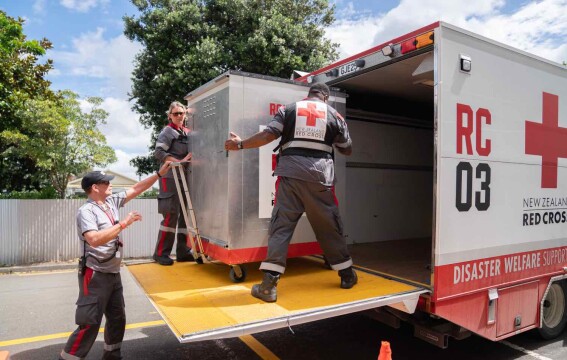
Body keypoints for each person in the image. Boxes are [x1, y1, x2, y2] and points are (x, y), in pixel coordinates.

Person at [224, 83, 357, 303]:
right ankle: (346, 275)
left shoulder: (289, 109)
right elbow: (347, 148)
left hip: (290, 175)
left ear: (309, 95)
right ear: (325, 97)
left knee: (281, 226)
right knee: (328, 225)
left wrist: (239, 145)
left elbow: (268, 135)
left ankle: (268, 287)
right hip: (320, 177)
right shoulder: (334, 115)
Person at [60, 162, 171, 360]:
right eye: (106, 182)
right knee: (89, 323)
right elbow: (93, 239)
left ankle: (112, 356)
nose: (111, 185)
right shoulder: (86, 211)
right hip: (95, 274)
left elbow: (137, 188)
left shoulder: (110, 202)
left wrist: (159, 173)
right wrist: (124, 223)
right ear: (95, 188)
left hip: (113, 273)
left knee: (117, 319)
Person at [153, 101, 194, 265]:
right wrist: (179, 161)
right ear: (170, 115)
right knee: (170, 216)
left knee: (185, 216)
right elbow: (159, 152)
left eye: (182, 113)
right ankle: (161, 254)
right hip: (170, 178)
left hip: (184, 178)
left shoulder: (187, 132)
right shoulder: (168, 131)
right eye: (176, 113)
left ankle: (183, 252)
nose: (179, 116)